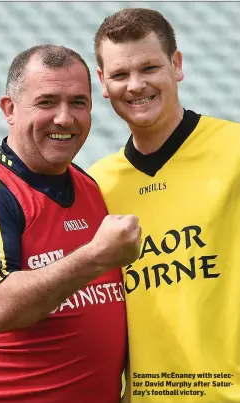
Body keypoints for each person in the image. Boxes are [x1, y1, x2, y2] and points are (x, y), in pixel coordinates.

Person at [0, 44, 142, 403]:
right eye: (46, 102)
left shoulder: (90, 186)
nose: (64, 118)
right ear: (9, 109)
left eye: (78, 102)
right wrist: (95, 257)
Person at [88, 8, 240, 403]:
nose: (135, 86)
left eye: (150, 68)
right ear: (103, 83)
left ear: (177, 65)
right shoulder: (96, 185)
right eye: (120, 75)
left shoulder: (234, 150)